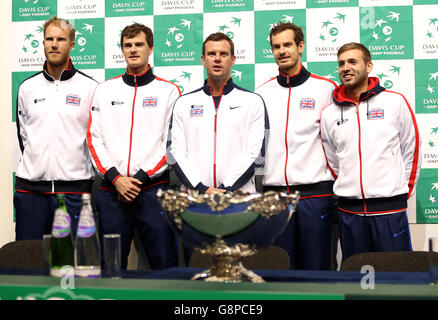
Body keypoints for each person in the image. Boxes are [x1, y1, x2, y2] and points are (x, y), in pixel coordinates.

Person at [87, 23, 180, 270]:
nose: (133, 49)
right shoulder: (104, 90)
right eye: (128, 45)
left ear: (150, 48)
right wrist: (116, 178)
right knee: (110, 267)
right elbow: (94, 139)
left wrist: (138, 178)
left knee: (164, 264)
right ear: (122, 50)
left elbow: (170, 144)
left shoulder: (168, 91)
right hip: (112, 190)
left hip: (152, 191)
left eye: (139, 44)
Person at [320, 42, 421, 262]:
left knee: (397, 276)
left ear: (369, 66)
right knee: (360, 281)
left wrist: (400, 191)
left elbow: (411, 149)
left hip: (389, 210)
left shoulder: (394, 102)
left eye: (352, 62)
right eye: (341, 63)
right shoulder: (329, 113)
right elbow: (332, 159)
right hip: (350, 212)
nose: (345, 67)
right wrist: (349, 183)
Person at [255, 23, 337, 270]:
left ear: (300, 47)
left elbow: (339, 140)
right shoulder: (262, 93)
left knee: (317, 268)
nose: (281, 51)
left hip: (315, 194)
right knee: (280, 268)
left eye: (287, 44)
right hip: (275, 195)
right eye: (276, 46)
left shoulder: (326, 89)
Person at [14, 16, 97, 240]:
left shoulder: (90, 88)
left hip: (74, 190)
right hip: (31, 192)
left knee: (74, 263)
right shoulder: (27, 88)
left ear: (71, 44)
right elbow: (24, 136)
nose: (54, 44)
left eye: (60, 39)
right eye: (49, 39)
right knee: (28, 264)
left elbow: (95, 139)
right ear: (42, 43)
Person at [167, 32, 267, 195]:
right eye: (211, 54)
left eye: (223, 54)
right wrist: (201, 188)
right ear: (203, 59)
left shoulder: (252, 101)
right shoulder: (183, 103)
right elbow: (175, 151)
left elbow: (258, 153)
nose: (217, 58)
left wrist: (226, 189)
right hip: (195, 197)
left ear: (233, 60)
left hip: (239, 198)